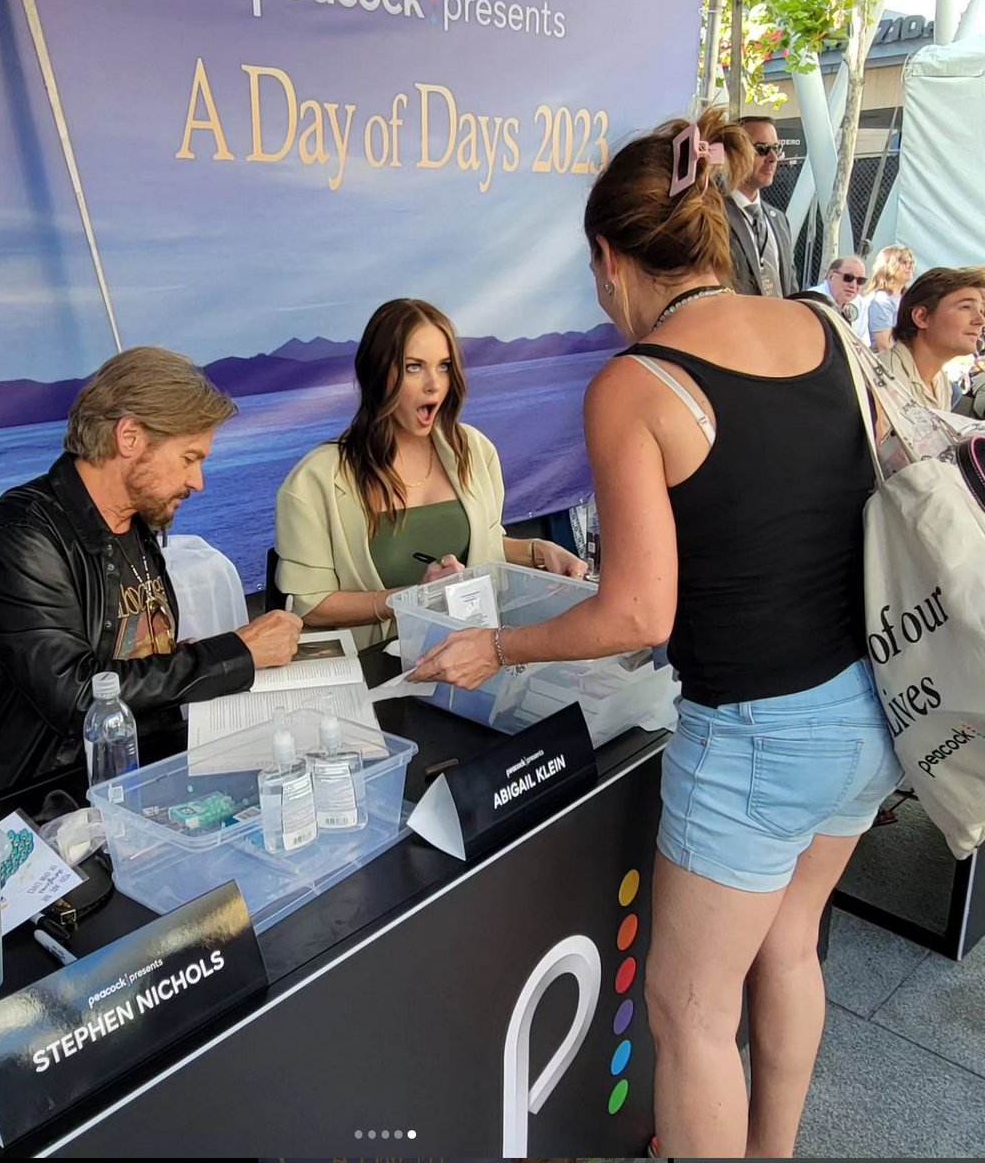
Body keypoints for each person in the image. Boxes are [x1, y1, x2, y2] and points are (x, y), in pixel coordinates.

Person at [411, 109, 901, 1158]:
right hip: (867, 709)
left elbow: (639, 613)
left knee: (689, 1013)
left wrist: (497, 647)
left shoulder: (637, 382)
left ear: (609, 257)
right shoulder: (823, 326)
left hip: (755, 740)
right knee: (790, 952)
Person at [0, 346, 302, 797]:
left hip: (144, 767)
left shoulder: (133, 522)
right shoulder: (22, 535)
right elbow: (78, 695)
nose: (198, 481)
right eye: (189, 458)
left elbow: (130, 649)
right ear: (129, 438)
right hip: (51, 793)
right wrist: (234, 654)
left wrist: (185, 655)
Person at [274, 298, 586, 649]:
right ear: (376, 374)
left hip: (475, 656)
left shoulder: (475, 450)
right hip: (376, 669)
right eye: (413, 367)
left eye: (444, 366)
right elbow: (311, 605)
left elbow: (485, 545)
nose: (434, 384)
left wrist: (539, 551)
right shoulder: (314, 480)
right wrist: (415, 599)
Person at [877, 266, 985, 412]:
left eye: (981, 311)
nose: (981, 320)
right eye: (966, 307)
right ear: (921, 317)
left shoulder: (941, 384)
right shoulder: (884, 380)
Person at [725, 115, 796, 297]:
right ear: (734, 155)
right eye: (762, 149)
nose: (773, 158)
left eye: (776, 148)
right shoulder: (712, 216)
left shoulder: (779, 220)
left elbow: (791, 288)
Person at [864, 243, 915, 351]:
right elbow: (885, 346)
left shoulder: (908, 297)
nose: (909, 266)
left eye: (911, 262)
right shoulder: (880, 301)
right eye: (904, 262)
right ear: (888, 266)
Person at [811, 255, 870, 344]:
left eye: (860, 281)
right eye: (848, 278)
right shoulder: (813, 299)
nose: (853, 285)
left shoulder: (860, 303)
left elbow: (863, 343)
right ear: (831, 276)